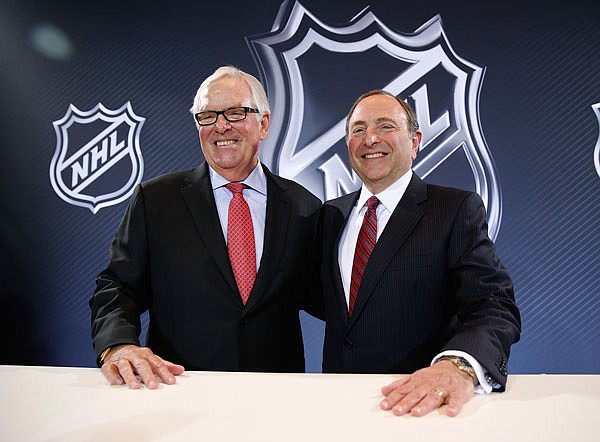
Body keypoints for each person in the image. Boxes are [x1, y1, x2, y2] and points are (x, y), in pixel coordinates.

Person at [90, 66, 322, 389]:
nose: (221, 125)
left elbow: (336, 301)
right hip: (179, 393)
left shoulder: (305, 207)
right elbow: (117, 287)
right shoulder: (155, 201)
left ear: (264, 123)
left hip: (275, 398)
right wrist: (118, 345)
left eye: (235, 112)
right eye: (208, 116)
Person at [318, 90, 521, 416]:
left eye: (385, 126)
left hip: (418, 409)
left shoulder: (453, 209)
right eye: (358, 130)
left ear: (414, 142)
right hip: (336, 409)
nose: (370, 138)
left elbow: (493, 305)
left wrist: (457, 366)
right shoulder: (329, 216)